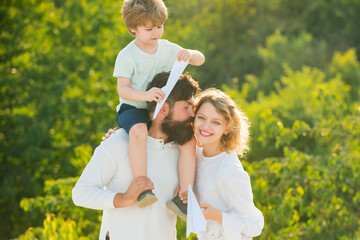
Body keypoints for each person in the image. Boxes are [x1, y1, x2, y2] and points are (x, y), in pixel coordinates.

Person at [72, 72, 200, 240]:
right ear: (163, 108)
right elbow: (80, 193)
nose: (192, 114)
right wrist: (122, 199)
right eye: (186, 107)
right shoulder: (119, 142)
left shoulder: (187, 152)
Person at [114, 0, 205, 211]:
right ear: (132, 28)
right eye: (149, 29)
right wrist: (145, 95)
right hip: (134, 108)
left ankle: (183, 197)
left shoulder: (167, 48)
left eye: (159, 26)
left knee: (188, 141)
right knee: (138, 131)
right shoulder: (127, 56)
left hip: (162, 110)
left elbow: (200, 59)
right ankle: (142, 188)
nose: (156, 32)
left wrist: (190, 54)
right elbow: (123, 90)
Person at [191, 88, 264, 239]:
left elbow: (255, 225)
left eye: (216, 122)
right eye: (201, 117)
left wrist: (218, 216)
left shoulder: (228, 170)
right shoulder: (195, 154)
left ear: (227, 128)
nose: (205, 126)